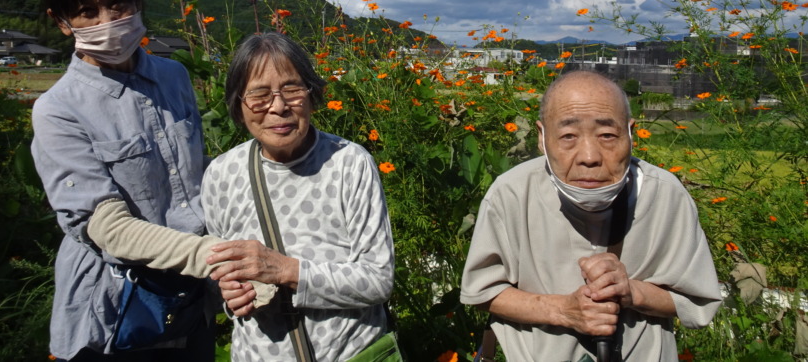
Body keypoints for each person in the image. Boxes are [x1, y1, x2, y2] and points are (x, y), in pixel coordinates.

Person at [31, 0, 228, 361]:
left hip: (192, 295)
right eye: (87, 12)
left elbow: (194, 176)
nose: (108, 22)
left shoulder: (174, 77)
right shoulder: (58, 109)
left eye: (118, 4)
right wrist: (220, 259)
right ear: (63, 22)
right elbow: (108, 228)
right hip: (119, 306)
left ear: (137, 0)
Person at [460, 70, 721, 361]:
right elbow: (482, 293)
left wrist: (633, 293)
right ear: (542, 137)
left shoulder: (664, 195)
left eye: (607, 135)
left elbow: (697, 301)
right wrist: (564, 311)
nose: (589, 156)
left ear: (630, 133)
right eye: (568, 136)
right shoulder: (511, 193)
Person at [201, 32, 395, 361]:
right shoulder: (221, 174)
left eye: (291, 89)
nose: (278, 107)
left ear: (311, 94)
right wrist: (227, 294)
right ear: (239, 104)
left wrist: (288, 271)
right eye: (259, 95)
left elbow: (378, 279)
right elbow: (216, 271)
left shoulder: (349, 162)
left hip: (350, 353)